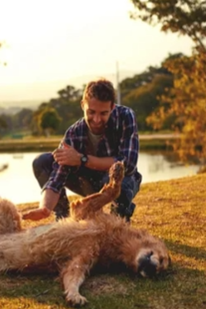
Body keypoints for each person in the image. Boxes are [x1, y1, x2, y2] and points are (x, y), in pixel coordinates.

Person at [23, 77, 142, 223]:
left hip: (121, 181)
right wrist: (44, 208)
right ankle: (63, 218)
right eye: (91, 112)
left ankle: (119, 216)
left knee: (119, 180)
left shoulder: (126, 116)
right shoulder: (73, 133)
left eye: (103, 113)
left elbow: (127, 163)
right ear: (82, 105)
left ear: (112, 107)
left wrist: (81, 159)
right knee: (42, 161)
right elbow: (57, 179)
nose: (97, 119)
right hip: (89, 182)